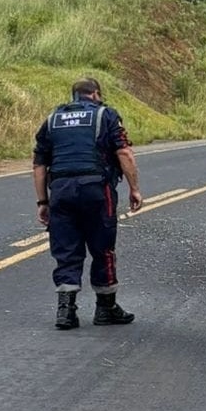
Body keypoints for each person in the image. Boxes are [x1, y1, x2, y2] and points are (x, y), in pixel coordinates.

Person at [32, 77, 143, 329]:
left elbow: (39, 164)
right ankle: (105, 309)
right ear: (94, 94)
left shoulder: (52, 120)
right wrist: (134, 188)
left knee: (66, 250)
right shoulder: (106, 115)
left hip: (60, 190)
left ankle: (66, 311)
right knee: (102, 247)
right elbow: (124, 152)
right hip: (96, 189)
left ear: (74, 96)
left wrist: (42, 201)